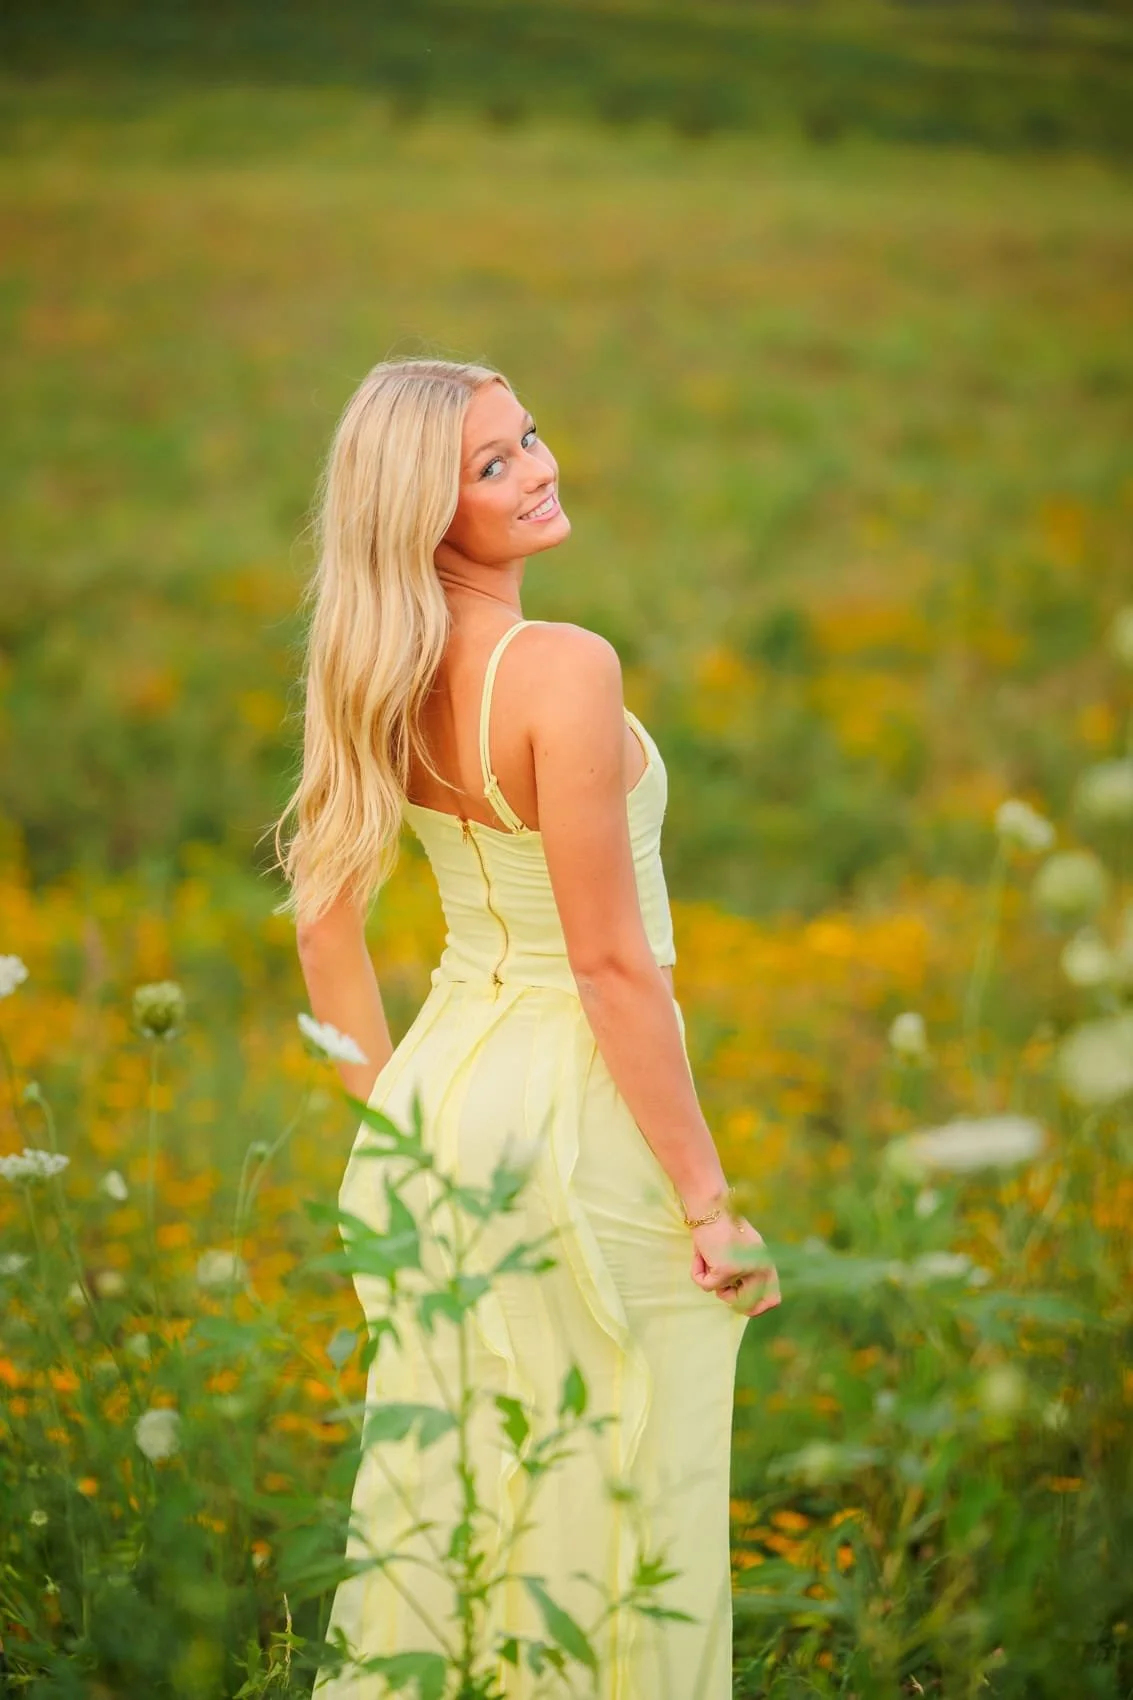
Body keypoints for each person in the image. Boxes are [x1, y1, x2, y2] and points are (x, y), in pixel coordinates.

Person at [274, 356, 781, 1697]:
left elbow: (326, 935)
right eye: (491, 465)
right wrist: (710, 1197)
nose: (539, 467)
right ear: (422, 515)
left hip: (441, 1099)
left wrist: (402, 1130)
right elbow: (613, 965)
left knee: (452, 1508)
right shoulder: (560, 667)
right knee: (627, 1495)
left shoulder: (374, 666)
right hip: (572, 1108)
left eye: (530, 436)